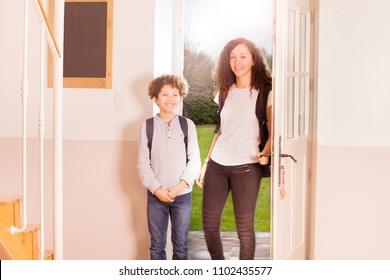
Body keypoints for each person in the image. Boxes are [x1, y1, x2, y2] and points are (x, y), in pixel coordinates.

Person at [196, 38, 272, 260]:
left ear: (253, 60)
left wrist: (266, 153)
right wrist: (206, 164)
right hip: (218, 165)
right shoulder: (224, 91)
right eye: (232, 57)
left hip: (247, 167)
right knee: (209, 226)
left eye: (243, 56)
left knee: (244, 230)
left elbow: (274, 129)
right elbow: (219, 131)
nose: (237, 61)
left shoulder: (265, 91)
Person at [137, 74, 201, 260]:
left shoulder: (187, 125)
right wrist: (157, 190)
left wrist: (180, 187)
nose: (170, 99)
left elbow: (194, 160)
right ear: (155, 99)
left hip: (182, 196)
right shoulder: (146, 127)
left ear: (180, 98)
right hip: (156, 196)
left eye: (175, 94)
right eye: (165, 94)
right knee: (157, 246)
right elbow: (142, 164)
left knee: (181, 246)